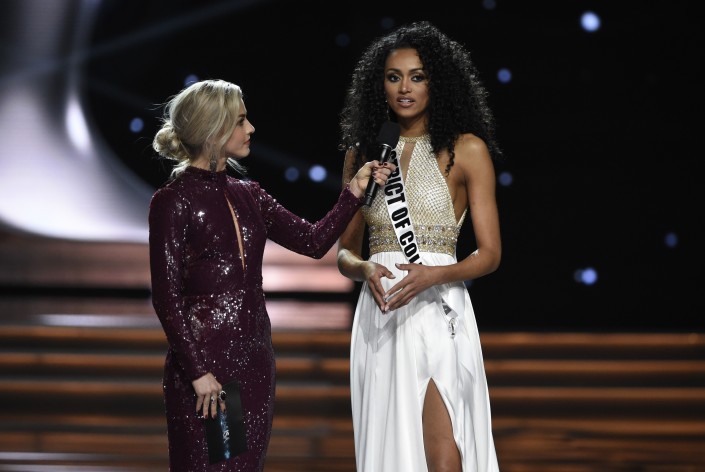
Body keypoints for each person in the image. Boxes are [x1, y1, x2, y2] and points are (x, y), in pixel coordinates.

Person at [148, 78, 394, 471]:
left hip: (254, 360)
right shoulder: (172, 201)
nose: (251, 128)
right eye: (240, 121)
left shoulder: (250, 194)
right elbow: (167, 298)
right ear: (214, 129)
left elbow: (313, 241)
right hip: (208, 368)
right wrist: (197, 373)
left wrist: (354, 191)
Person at [336, 21, 503, 471]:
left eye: (417, 76)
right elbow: (345, 252)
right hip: (383, 313)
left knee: (445, 456)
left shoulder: (467, 150)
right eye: (394, 77)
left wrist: (435, 275)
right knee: (392, 453)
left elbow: (490, 254)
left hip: (438, 306)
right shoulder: (364, 154)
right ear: (381, 85)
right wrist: (364, 268)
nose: (404, 88)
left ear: (437, 82)